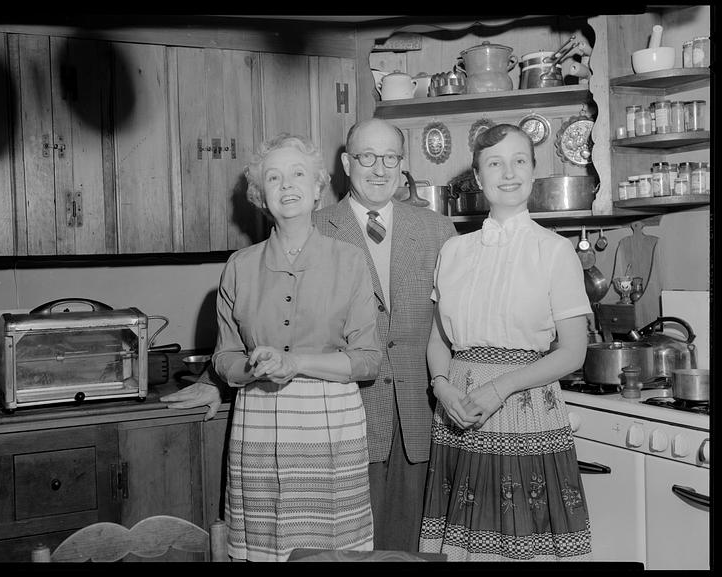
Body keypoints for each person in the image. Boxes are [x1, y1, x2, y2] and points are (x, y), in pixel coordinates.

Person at [418, 123, 592, 561]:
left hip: (525, 412)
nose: (508, 172)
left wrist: (500, 387)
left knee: (521, 545)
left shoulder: (554, 252)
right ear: (478, 178)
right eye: (494, 163)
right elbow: (438, 339)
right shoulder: (453, 252)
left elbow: (573, 351)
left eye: (519, 161)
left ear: (533, 172)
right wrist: (442, 388)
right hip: (458, 412)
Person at [205, 133, 381, 562]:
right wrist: (253, 368)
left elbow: (368, 360)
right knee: (264, 550)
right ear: (259, 195)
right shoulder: (240, 267)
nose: (287, 185)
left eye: (298, 174)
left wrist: (295, 361)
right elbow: (225, 358)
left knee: (331, 552)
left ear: (319, 186)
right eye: (274, 177)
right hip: (260, 423)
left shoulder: (351, 260)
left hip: (330, 426)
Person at [312, 118, 457, 551]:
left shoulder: (437, 229)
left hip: (422, 413)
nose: (379, 169)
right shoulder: (314, 230)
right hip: (347, 414)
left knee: (414, 549)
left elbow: (455, 324)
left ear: (402, 164)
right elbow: (276, 318)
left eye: (390, 158)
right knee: (350, 551)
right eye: (367, 157)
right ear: (345, 163)